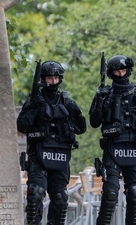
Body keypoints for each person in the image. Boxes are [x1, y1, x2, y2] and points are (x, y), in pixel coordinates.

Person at [89, 55, 136, 224]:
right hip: (112, 149)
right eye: (116, 71)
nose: (120, 74)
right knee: (110, 193)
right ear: (111, 73)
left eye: (123, 70)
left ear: (128, 71)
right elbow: (93, 122)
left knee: (135, 192)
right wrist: (99, 101)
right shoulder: (105, 94)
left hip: (134, 150)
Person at [17, 60, 87, 225]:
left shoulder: (66, 101)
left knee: (60, 197)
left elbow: (81, 128)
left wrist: (76, 111)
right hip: (39, 156)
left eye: (55, 78)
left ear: (60, 79)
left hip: (61, 157)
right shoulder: (35, 101)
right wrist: (35, 106)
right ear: (43, 79)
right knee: (35, 193)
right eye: (49, 78)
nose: (53, 82)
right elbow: (22, 125)